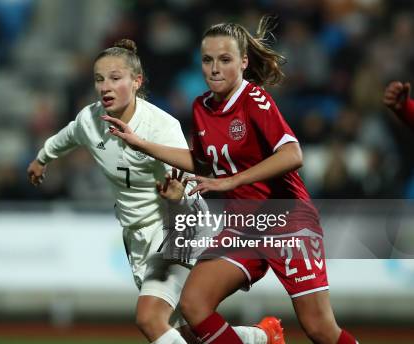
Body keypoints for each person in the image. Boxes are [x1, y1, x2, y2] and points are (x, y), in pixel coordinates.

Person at [103, 17, 359, 344]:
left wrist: (231, 182)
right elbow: (204, 162)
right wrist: (143, 144)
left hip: (288, 222)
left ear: (243, 62)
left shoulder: (255, 100)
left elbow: (293, 155)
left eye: (224, 60)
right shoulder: (202, 107)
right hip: (243, 228)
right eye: (207, 60)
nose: (214, 68)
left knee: (319, 329)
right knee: (194, 305)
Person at [28, 39, 282, 344]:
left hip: (178, 227)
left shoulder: (161, 128)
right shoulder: (90, 120)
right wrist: (42, 159)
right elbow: (66, 136)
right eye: (99, 79)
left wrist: (177, 199)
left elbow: (190, 184)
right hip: (137, 237)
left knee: (149, 318)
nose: (105, 87)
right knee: (176, 332)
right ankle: (259, 337)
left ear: (137, 82)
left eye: (115, 78)